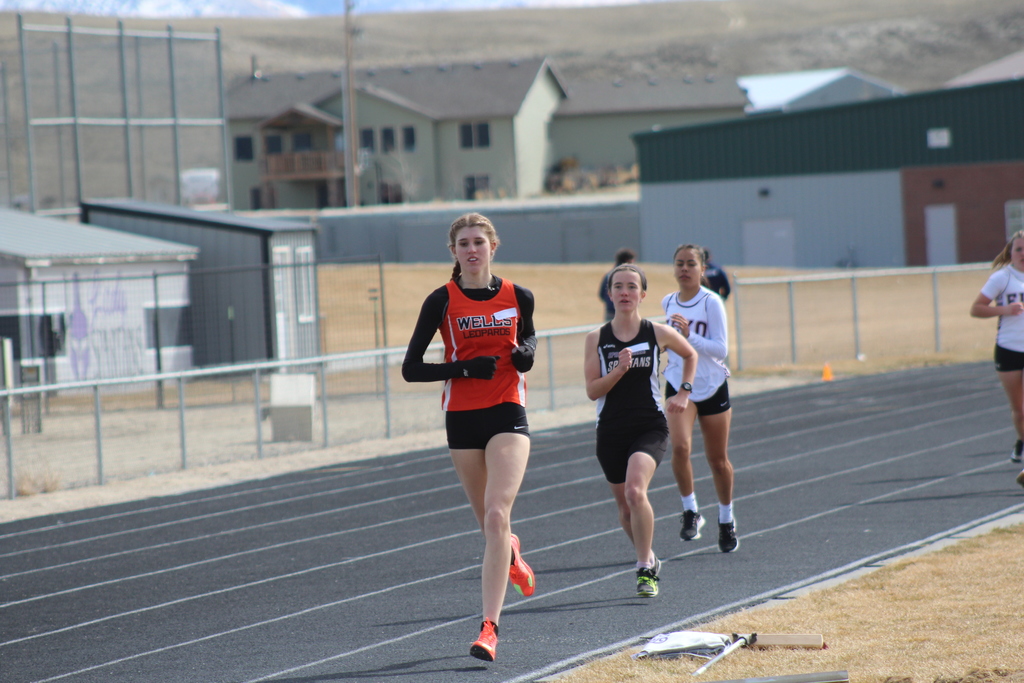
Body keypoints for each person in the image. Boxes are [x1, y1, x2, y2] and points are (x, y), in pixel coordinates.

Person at [402, 212, 537, 662]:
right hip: (461, 417)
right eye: (464, 243)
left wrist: (526, 356)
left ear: (493, 246)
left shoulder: (519, 295)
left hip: (507, 410)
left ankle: (489, 628)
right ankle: (512, 555)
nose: (472, 249)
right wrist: (461, 368)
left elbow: (530, 339)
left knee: (498, 515)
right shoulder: (441, 300)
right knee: (490, 526)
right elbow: (411, 368)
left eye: (479, 241)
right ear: (454, 252)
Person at [583, 263, 697, 598]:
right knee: (624, 508)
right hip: (611, 431)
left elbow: (689, 354)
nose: (624, 293)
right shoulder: (596, 338)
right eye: (618, 286)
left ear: (642, 294)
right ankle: (648, 556)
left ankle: (644, 568)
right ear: (609, 293)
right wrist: (619, 369)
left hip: (649, 426)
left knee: (636, 492)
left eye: (632, 287)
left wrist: (684, 392)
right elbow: (592, 390)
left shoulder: (656, 332)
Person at [662, 245, 740, 552]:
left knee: (717, 461)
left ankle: (726, 519)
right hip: (679, 382)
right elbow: (669, 340)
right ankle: (691, 510)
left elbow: (721, 350)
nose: (684, 269)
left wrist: (687, 336)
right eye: (679, 263)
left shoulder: (712, 302)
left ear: (702, 269)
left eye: (690, 264)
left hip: (711, 384)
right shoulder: (668, 301)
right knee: (680, 447)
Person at [970, 230, 1024, 489]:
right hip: (1008, 348)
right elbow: (976, 308)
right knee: (1020, 410)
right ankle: (1021, 439)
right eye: (1018, 249)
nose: (1023, 254)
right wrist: (1005, 310)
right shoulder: (1002, 278)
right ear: (1011, 253)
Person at [599, 248, 637, 320]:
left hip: (610, 313)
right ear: (628, 261)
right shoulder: (630, 276)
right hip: (626, 314)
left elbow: (601, 294)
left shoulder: (609, 275)